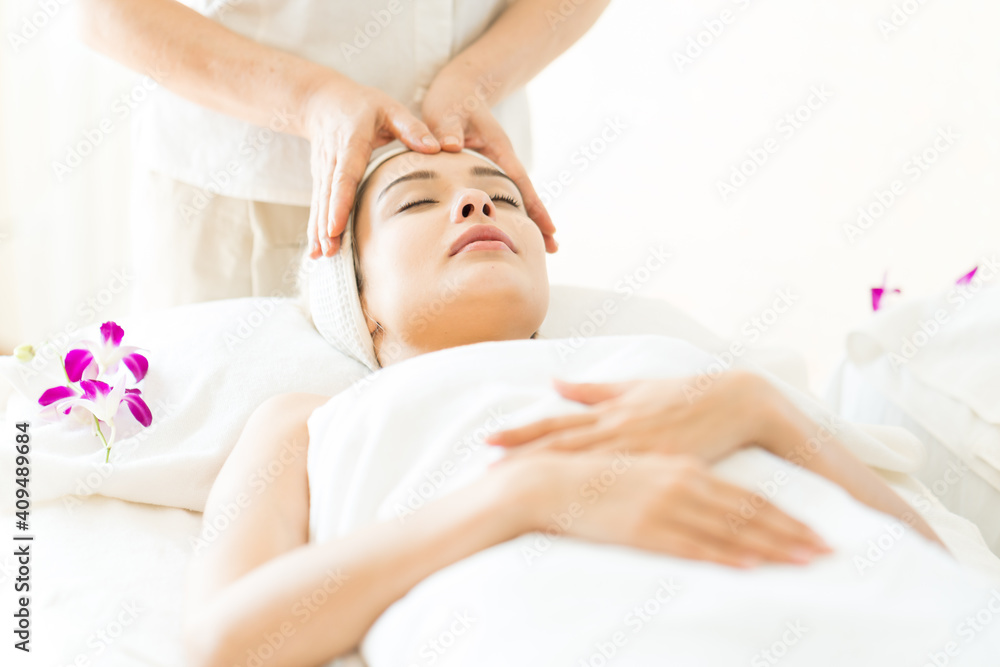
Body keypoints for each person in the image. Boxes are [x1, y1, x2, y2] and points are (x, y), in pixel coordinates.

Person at [179, 147, 962, 666]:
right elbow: (224, 642)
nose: (476, 208)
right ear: (358, 299)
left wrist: (762, 408)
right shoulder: (310, 419)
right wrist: (524, 496)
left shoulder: (684, 367)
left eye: (501, 196)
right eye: (417, 203)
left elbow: (935, 562)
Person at [78, 0, 606, 311]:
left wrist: (477, 79)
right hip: (247, 195)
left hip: (475, 142)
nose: (476, 206)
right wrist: (307, 99)